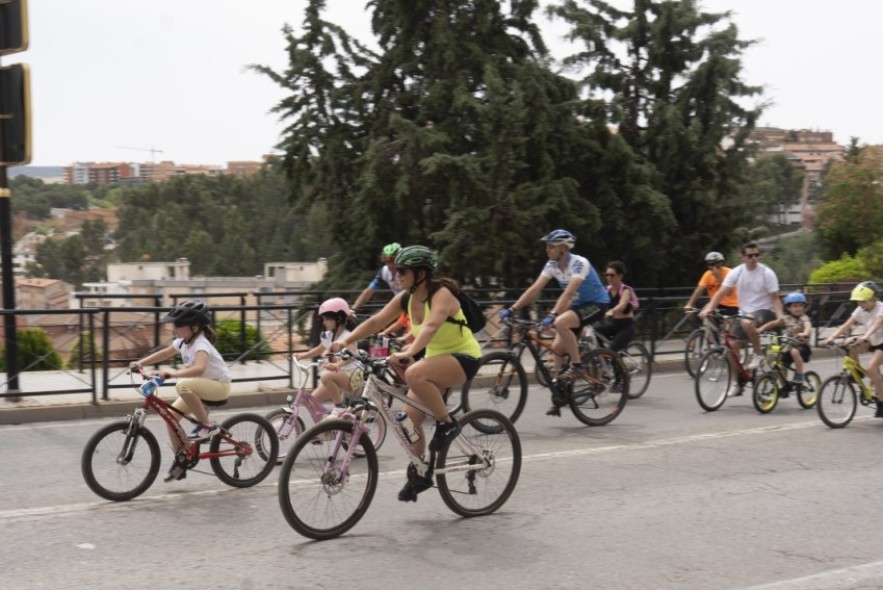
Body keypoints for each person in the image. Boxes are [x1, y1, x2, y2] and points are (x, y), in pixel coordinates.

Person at [330, 245, 481, 502]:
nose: (396, 275)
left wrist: (411, 352)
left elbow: (432, 326)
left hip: (463, 358)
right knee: (407, 422)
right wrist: (346, 341)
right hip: (435, 361)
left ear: (421, 273)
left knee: (415, 372)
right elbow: (377, 321)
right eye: (395, 270)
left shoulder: (441, 293)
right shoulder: (407, 299)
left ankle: (447, 424)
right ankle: (421, 472)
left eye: (402, 270)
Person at [499, 229, 610, 415]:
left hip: (597, 303)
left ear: (564, 248)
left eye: (551, 246)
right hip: (577, 306)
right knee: (558, 348)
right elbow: (535, 289)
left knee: (560, 322)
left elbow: (568, 293)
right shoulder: (552, 265)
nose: (547, 249)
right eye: (547, 246)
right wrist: (513, 309)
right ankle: (559, 394)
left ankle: (577, 365)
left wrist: (552, 314)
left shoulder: (579, 263)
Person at [130, 300, 231, 482]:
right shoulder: (184, 342)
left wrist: (173, 373)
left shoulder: (201, 344)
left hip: (219, 386)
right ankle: (182, 458)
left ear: (195, 326)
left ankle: (208, 425)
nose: (174, 328)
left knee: (182, 384)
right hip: (201, 387)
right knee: (171, 417)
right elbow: (165, 353)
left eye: (179, 324)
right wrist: (141, 363)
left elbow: (199, 368)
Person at [699, 242, 783, 397]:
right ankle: (737, 383)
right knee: (731, 346)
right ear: (743, 257)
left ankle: (758, 355)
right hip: (745, 312)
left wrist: (779, 316)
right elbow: (721, 292)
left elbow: (775, 298)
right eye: (750, 255)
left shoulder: (766, 273)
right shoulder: (737, 272)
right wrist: (709, 308)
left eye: (756, 255)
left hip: (765, 311)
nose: (754, 258)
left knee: (747, 322)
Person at [821, 281, 883, 416]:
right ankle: (857, 372)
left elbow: (877, 324)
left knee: (871, 368)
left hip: (880, 341)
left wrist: (865, 336)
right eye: (858, 301)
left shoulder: (881, 308)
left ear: (873, 299)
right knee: (849, 342)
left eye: (863, 301)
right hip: (872, 340)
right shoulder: (860, 309)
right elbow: (847, 325)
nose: (860, 304)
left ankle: (881, 402)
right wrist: (831, 337)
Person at [293, 297, 361, 418]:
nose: (324, 322)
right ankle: (321, 434)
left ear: (338, 319)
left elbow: (351, 356)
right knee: (312, 401)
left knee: (326, 376)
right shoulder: (329, 335)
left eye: (327, 319)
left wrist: (336, 365)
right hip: (339, 374)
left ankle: (340, 407)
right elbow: (319, 349)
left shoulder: (348, 336)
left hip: (354, 375)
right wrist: (301, 356)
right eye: (323, 319)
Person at [757, 291, 813, 393]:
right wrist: (760, 329)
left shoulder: (804, 318)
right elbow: (773, 323)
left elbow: (808, 326)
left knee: (794, 352)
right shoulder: (786, 318)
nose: (798, 308)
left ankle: (799, 375)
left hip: (803, 348)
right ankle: (784, 385)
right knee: (779, 362)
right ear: (788, 308)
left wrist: (805, 333)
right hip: (788, 346)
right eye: (795, 306)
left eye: (801, 306)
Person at [351, 242, 403, 315]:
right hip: (401, 306)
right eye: (387, 261)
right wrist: (354, 309)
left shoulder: (409, 272)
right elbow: (368, 291)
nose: (390, 265)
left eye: (393, 260)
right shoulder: (384, 271)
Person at [595, 260, 636, 352]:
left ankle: (611, 359)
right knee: (595, 332)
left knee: (612, 351)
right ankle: (603, 357)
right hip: (614, 325)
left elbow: (622, 305)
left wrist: (611, 311)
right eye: (607, 275)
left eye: (612, 275)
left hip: (626, 327)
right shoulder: (606, 290)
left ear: (620, 276)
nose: (609, 277)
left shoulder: (626, 290)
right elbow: (597, 302)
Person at [684, 251, 739, 317]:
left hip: (732, 304)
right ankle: (708, 327)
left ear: (721, 263)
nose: (712, 267)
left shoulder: (729, 273)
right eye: (710, 264)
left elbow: (729, 293)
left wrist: (718, 277)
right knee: (705, 312)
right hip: (716, 303)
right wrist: (690, 304)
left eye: (715, 264)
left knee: (727, 324)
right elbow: (698, 290)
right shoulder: (707, 274)